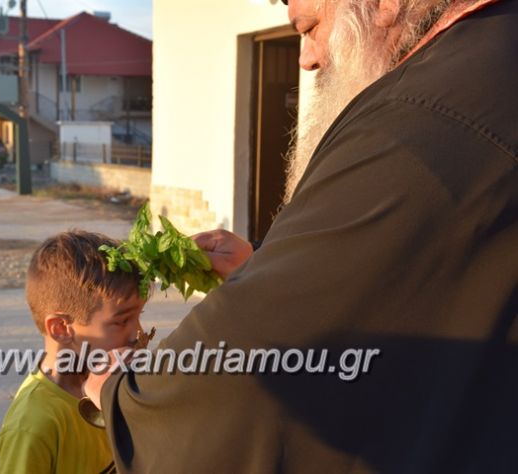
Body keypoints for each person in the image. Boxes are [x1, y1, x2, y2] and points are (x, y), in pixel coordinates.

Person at [84, 0, 517, 472]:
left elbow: (246, 372)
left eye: (309, 28)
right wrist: (263, 270)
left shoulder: (420, 126)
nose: (306, 57)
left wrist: (121, 395)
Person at [0, 231, 147, 474]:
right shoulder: (33, 425)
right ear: (60, 329)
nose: (137, 334)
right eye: (122, 321)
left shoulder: (115, 384)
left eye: (139, 317)